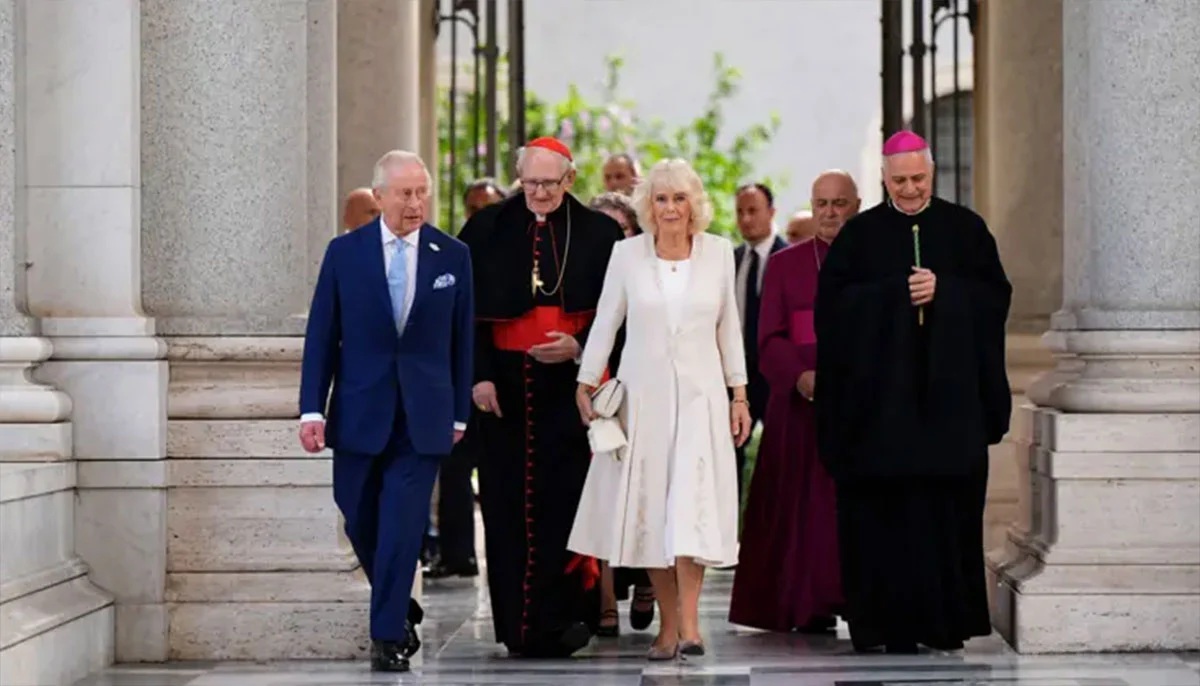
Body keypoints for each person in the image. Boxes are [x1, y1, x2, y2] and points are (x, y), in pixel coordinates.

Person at [815, 131, 1012, 653]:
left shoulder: (966, 230)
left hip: (949, 410)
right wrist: (894, 295)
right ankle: (886, 625)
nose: (908, 189)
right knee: (883, 523)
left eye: (917, 179)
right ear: (883, 178)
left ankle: (945, 623)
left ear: (933, 173)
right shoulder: (858, 237)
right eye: (898, 180)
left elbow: (995, 300)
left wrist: (945, 291)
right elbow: (833, 312)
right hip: (881, 415)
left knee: (947, 517)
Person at [299, 150, 474, 672]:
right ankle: (400, 605)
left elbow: (462, 340)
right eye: (405, 193)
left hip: (424, 414)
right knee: (356, 512)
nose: (416, 203)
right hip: (358, 408)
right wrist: (311, 408)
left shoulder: (453, 255)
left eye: (422, 192)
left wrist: (459, 412)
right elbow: (322, 337)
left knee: (402, 524)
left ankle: (387, 634)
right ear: (379, 197)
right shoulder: (343, 253)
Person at [570, 158, 752, 661]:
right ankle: (668, 626)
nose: (670, 208)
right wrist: (587, 380)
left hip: (701, 400)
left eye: (679, 198)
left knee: (692, 510)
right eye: (660, 198)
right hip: (643, 400)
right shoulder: (627, 255)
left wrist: (739, 394)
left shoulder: (717, 253)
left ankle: (690, 623)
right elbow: (607, 321)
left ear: (695, 204)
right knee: (651, 513)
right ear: (648, 206)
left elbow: (728, 330)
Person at [458, 136, 625, 658]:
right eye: (530, 183)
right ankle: (516, 627)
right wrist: (478, 376)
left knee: (567, 505)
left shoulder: (599, 233)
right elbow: (464, 315)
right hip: (503, 391)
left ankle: (566, 623)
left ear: (570, 179)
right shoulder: (487, 228)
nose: (539, 193)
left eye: (549, 183)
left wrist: (581, 351)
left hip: (569, 393)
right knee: (506, 510)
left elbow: (621, 315)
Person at [729, 170, 861, 633]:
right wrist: (801, 377)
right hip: (799, 404)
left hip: (862, 407)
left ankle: (861, 601)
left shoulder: (876, 261)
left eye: (839, 203)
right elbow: (768, 338)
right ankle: (806, 604)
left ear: (856, 205)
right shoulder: (788, 265)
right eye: (820, 203)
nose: (829, 212)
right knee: (800, 511)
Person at [427, 177, 508, 581]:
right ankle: (458, 554)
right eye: (474, 209)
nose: (482, 216)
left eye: (489, 207)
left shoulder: (516, 256)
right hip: (458, 383)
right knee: (454, 469)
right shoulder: (452, 256)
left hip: (504, 384)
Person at [584, 191, 656, 637]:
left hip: (642, 395)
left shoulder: (646, 272)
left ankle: (649, 583)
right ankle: (605, 599)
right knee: (602, 498)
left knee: (646, 494)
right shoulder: (582, 276)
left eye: (620, 230)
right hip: (597, 396)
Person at [732, 183, 788, 496]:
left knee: (780, 457)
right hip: (740, 375)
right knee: (732, 454)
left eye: (753, 210)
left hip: (776, 374)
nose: (746, 219)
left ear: (771, 212)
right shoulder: (733, 260)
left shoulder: (787, 257)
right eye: (740, 211)